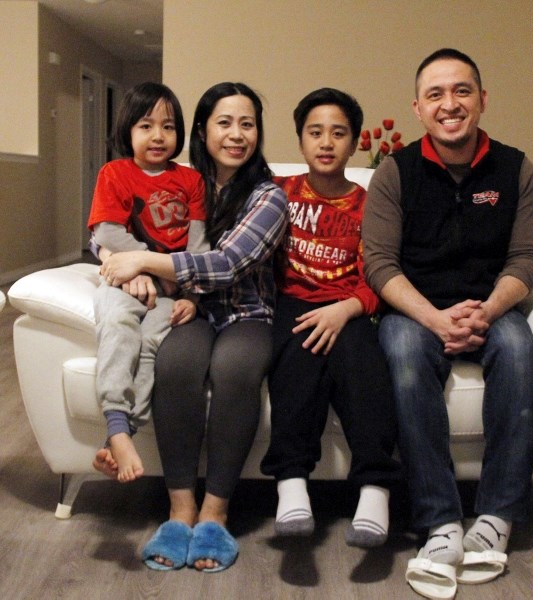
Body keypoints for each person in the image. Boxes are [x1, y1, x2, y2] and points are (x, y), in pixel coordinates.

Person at [362, 48, 533, 592]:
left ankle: (496, 516)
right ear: (418, 108)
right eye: (436, 94)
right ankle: (439, 521)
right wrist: (435, 320)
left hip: (491, 305)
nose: (450, 104)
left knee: (518, 353)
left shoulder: (517, 169)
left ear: (482, 100)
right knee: (401, 357)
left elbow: (527, 259)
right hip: (415, 310)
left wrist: (487, 309)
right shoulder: (394, 172)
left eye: (462, 91)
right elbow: (379, 264)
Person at [99, 82, 288, 573]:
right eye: (225, 123)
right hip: (193, 310)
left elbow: (226, 264)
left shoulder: (269, 196)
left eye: (247, 124)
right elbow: (112, 227)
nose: (237, 134)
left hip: (247, 315)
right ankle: (179, 510)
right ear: (202, 132)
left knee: (235, 368)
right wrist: (113, 253)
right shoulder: (187, 183)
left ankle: (215, 514)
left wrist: (142, 259)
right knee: (176, 362)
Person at [259, 88, 401, 548]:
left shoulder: (369, 203)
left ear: (356, 142)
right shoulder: (277, 194)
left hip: (349, 306)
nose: (326, 143)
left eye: (338, 133)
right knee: (297, 358)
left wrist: (348, 309)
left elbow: (383, 272)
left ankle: (375, 490)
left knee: (364, 365)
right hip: (291, 303)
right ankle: (291, 484)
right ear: (300, 141)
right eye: (314, 132)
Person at [88, 82, 208, 483]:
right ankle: (118, 424)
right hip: (124, 283)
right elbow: (107, 232)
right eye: (146, 125)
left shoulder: (191, 181)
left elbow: (199, 243)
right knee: (119, 328)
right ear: (128, 130)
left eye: (169, 126)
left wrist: (190, 292)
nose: (158, 135)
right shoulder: (116, 173)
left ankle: (120, 433)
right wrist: (140, 269)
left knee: (154, 344)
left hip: (170, 291)